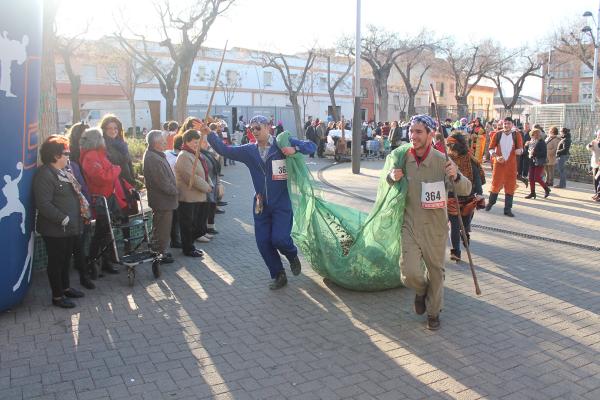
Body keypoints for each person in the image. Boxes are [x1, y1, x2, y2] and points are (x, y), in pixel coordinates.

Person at [205, 115, 316, 289]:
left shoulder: (282, 143)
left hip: (282, 203)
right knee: (263, 242)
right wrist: (210, 134)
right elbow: (225, 150)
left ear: (268, 127)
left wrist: (293, 149)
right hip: (261, 204)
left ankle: (292, 255)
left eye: (258, 128)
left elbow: (311, 146)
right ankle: (278, 274)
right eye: (251, 128)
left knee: (280, 239)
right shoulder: (249, 150)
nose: (254, 131)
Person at [387, 115, 472, 330]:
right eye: (411, 131)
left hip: (435, 228)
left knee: (436, 272)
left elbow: (466, 189)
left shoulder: (442, 160)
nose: (412, 136)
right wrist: (391, 176)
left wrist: (456, 176)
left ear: (430, 134)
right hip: (410, 223)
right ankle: (421, 290)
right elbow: (387, 179)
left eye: (418, 132)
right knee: (409, 273)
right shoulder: (403, 156)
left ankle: (433, 313)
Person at [33, 136, 88, 308]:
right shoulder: (45, 174)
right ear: (56, 156)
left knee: (65, 260)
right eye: (66, 153)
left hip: (69, 227)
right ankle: (57, 296)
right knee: (56, 262)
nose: (68, 156)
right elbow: (43, 204)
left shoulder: (64, 172)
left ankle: (66, 288)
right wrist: (63, 218)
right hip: (55, 229)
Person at [79, 128, 123, 275]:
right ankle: (94, 262)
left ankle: (103, 262)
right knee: (101, 232)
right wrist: (116, 169)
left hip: (106, 197)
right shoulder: (91, 156)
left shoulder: (96, 154)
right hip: (101, 198)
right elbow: (102, 177)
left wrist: (113, 170)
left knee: (104, 232)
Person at [446, 132, 485, 261]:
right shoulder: (447, 159)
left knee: (466, 223)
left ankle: (466, 233)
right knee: (455, 225)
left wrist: (479, 194)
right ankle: (456, 251)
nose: (450, 148)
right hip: (452, 197)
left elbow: (477, 178)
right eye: (449, 145)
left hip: (468, 198)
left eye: (452, 145)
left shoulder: (470, 159)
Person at [174, 129, 213, 258]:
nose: (197, 144)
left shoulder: (194, 153)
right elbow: (190, 177)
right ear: (187, 141)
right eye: (194, 142)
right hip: (188, 197)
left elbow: (204, 171)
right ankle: (188, 248)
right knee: (187, 225)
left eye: (198, 141)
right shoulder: (184, 155)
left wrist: (210, 184)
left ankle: (191, 246)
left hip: (197, 195)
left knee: (194, 223)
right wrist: (207, 187)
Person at [66, 122, 95, 289]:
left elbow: (83, 185)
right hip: (72, 206)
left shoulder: (86, 155)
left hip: (84, 202)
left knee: (84, 238)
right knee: (78, 241)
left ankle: (84, 267)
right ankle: (81, 268)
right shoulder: (72, 158)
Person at [143, 130, 178, 263]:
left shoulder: (156, 155)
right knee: (161, 229)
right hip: (162, 200)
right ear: (156, 143)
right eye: (163, 141)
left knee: (162, 228)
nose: (165, 143)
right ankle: (158, 254)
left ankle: (160, 251)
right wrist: (176, 191)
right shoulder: (153, 158)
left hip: (163, 200)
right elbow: (162, 182)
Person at [485, 117, 524, 217]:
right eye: (505, 123)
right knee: (496, 184)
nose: (506, 125)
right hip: (499, 164)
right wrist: (496, 157)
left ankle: (507, 209)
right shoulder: (497, 134)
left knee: (510, 186)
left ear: (512, 124)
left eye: (508, 123)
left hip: (511, 165)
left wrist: (519, 151)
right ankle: (490, 203)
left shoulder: (517, 135)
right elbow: (490, 148)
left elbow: (521, 148)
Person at [525, 128, 551, 199]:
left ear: (538, 135)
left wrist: (535, 153)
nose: (533, 136)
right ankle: (532, 193)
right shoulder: (531, 142)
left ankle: (546, 189)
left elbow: (544, 153)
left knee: (537, 177)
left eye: (535, 134)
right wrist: (526, 146)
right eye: (532, 135)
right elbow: (528, 151)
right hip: (532, 161)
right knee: (530, 178)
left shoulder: (541, 142)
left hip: (539, 162)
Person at [587, 130, 600, 201]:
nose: (598, 136)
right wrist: (590, 145)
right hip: (595, 162)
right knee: (595, 179)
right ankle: (596, 193)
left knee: (598, 179)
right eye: (598, 135)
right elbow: (588, 148)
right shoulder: (594, 141)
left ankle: (598, 194)